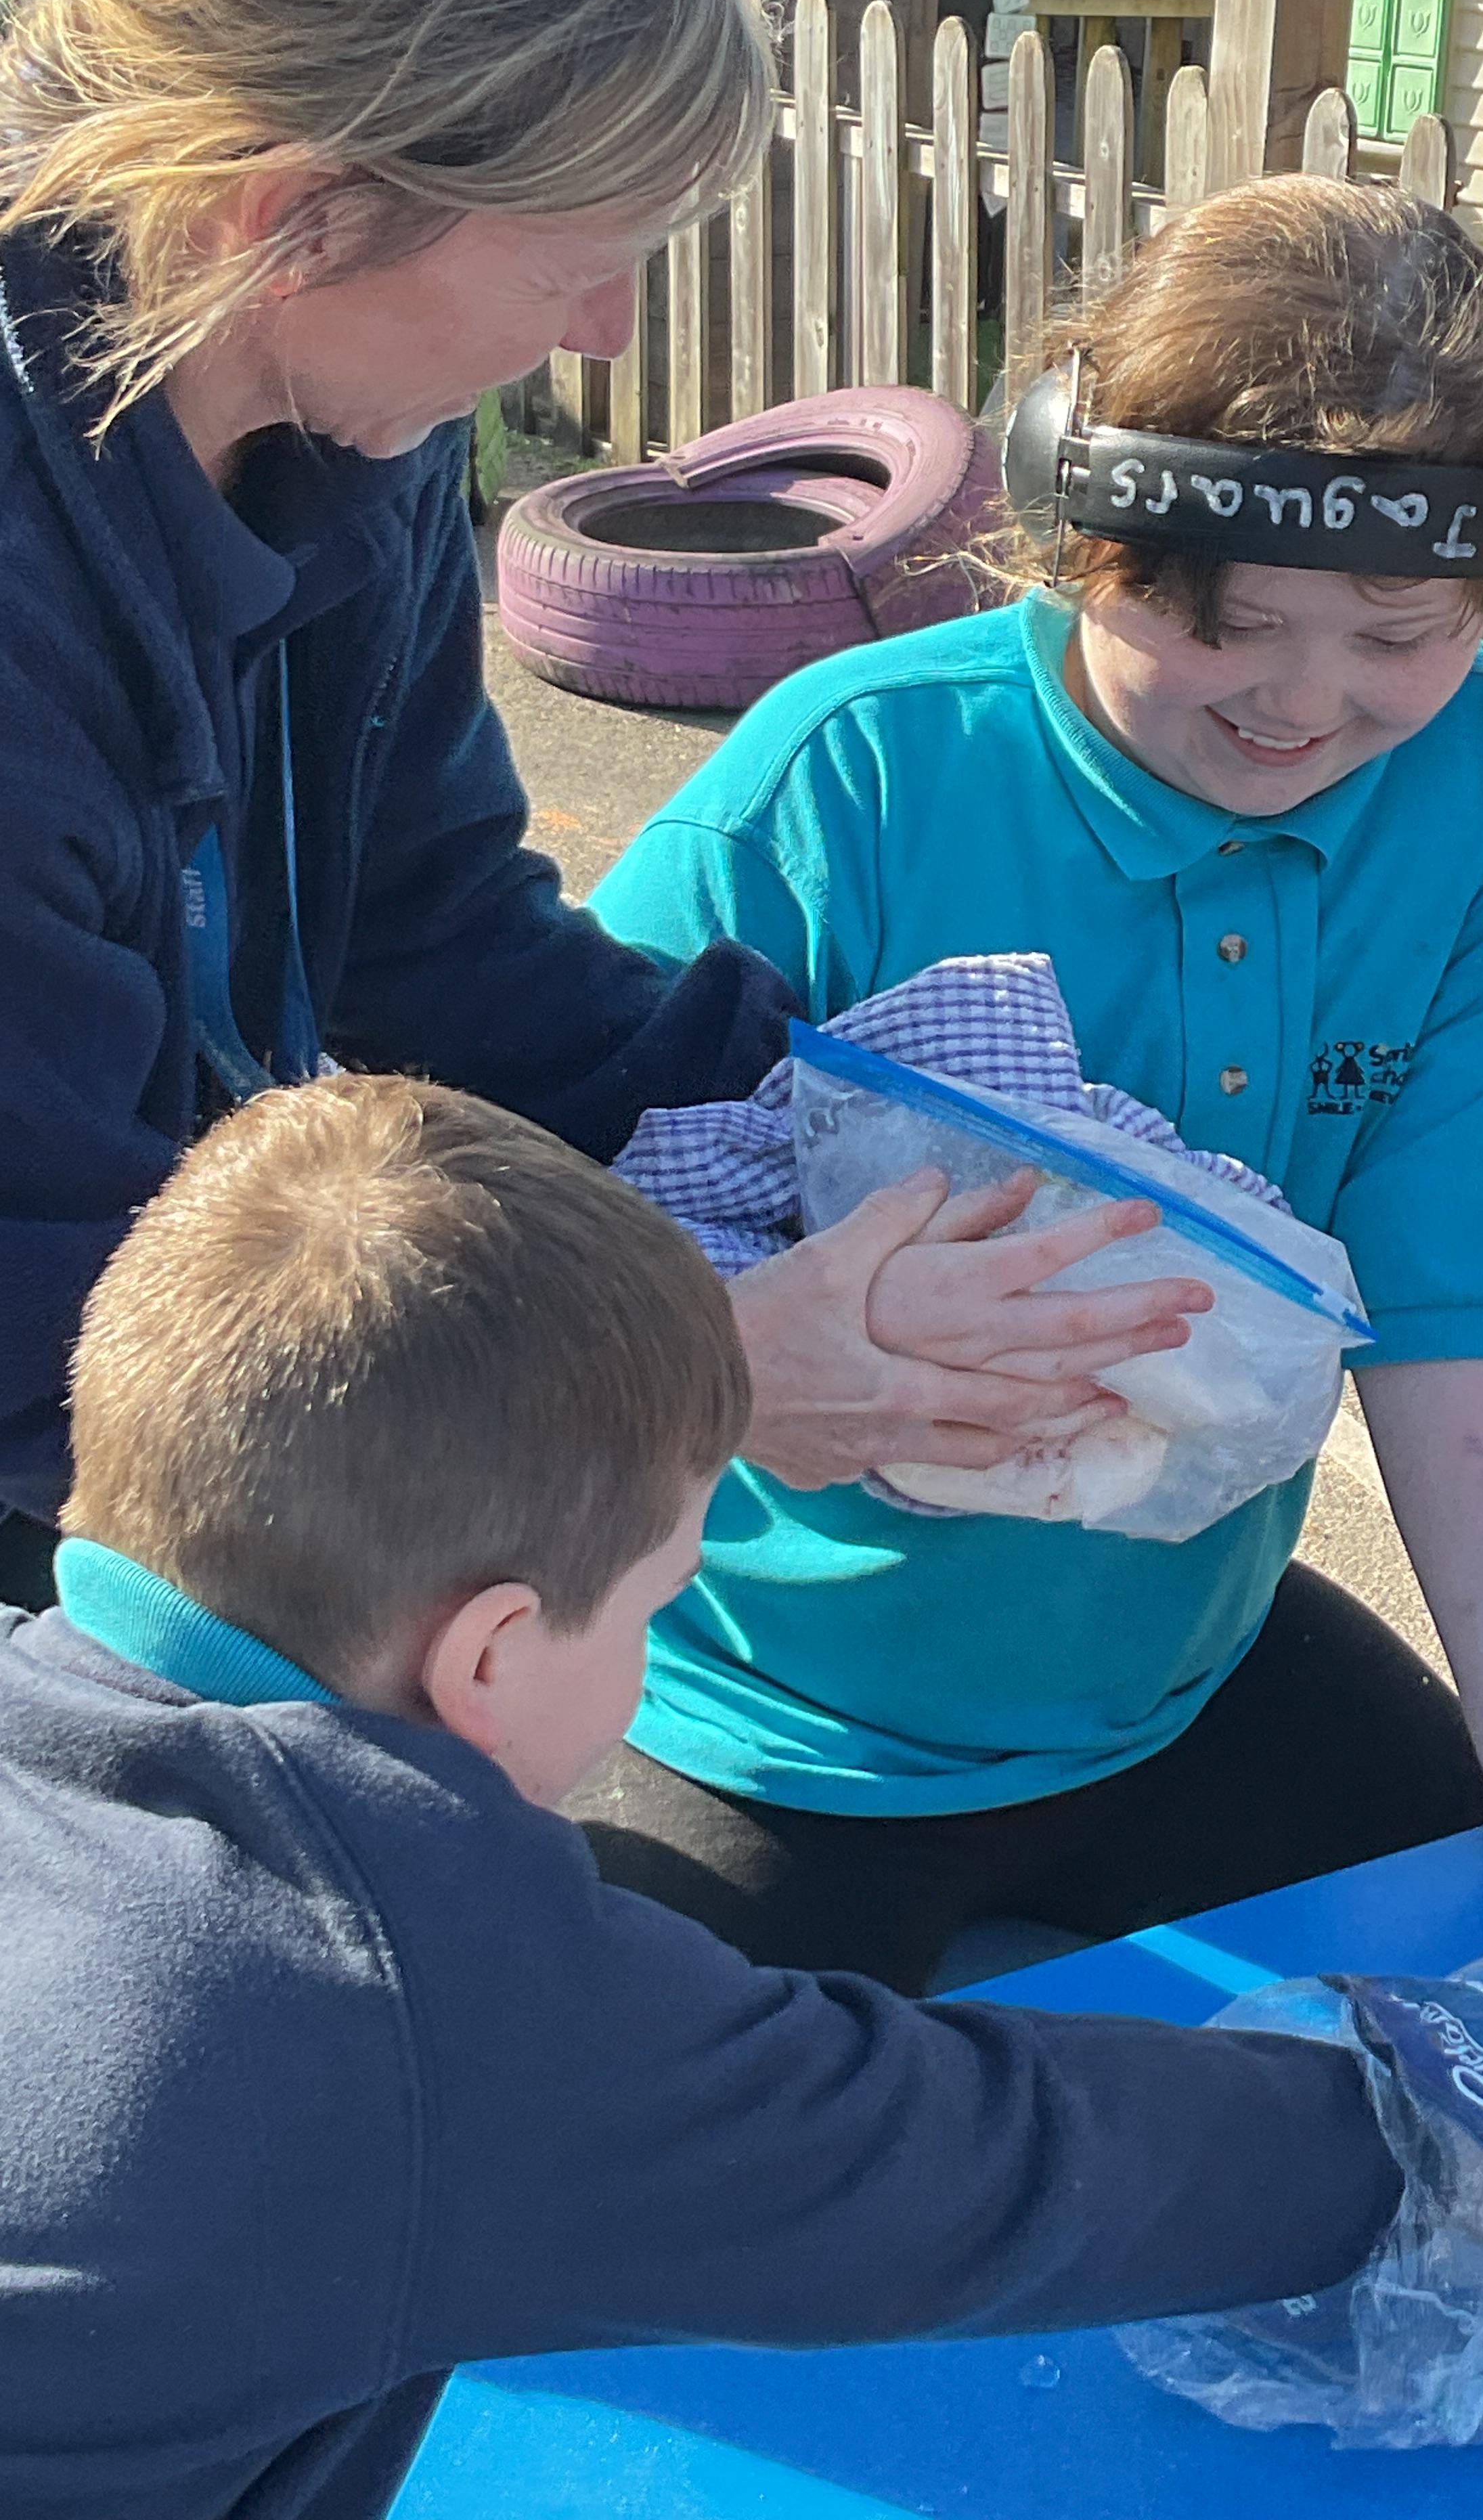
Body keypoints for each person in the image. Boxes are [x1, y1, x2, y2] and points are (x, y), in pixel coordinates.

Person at [0, 0, 1193, 1612]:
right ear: (296, 218)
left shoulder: (347, 418)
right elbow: (46, 1336)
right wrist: (687, 1372)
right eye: (570, 268)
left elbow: (433, 934)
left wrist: (860, 1137)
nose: (608, 337)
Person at [574, 177, 1483, 1991]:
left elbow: (1462, 1284)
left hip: (1182, 1679)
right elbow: (512, 1252)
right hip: (763, 1715)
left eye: (1399, 637)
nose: (1304, 704)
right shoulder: (845, 780)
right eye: (1232, 621)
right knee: (649, 2150)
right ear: (1082, 547)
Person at [0, 1071, 1407, 2520]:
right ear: (486, 1655)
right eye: (654, 1601)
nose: (650, 1642)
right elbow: (965, 2169)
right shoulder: (403, 1988)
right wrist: (1436, 2118)